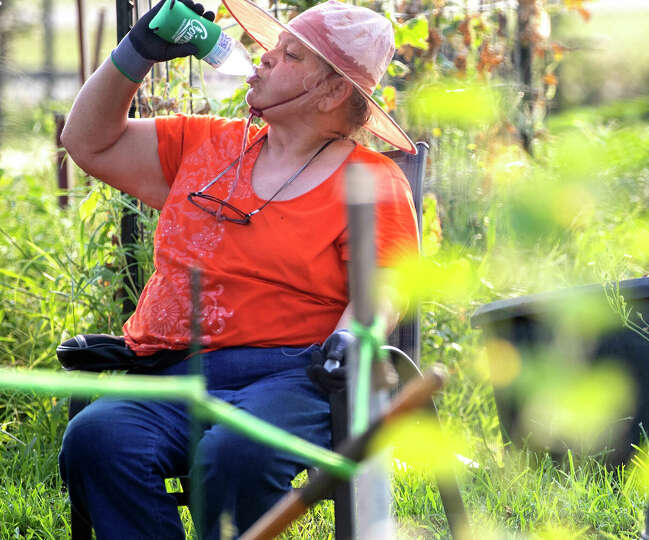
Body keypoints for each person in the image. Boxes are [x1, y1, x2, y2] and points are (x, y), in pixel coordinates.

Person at [57, 1, 419, 538]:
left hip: (294, 377)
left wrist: (351, 338)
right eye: (272, 47)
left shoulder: (371, 180)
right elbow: (86, 141)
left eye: (289, 53)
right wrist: (136, 53)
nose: (265, 59)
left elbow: (384, 287)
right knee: (100, 439)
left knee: (234, 454)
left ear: (333, 91)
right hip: (179, 372)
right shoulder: (206, 145)